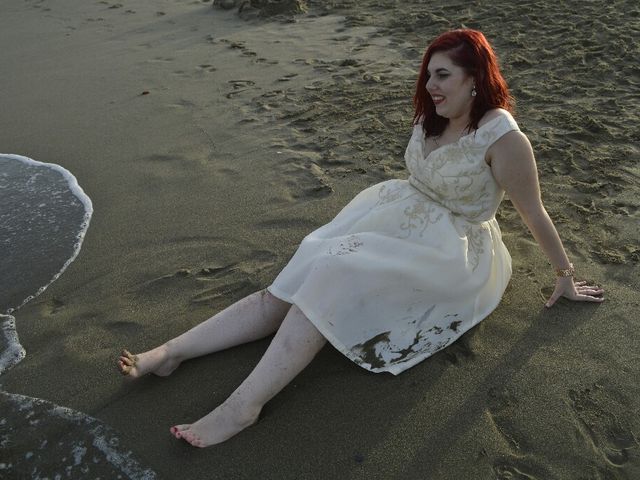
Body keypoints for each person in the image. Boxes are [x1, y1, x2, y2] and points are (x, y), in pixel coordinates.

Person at [117, 29, 604, 448]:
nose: (430, 86)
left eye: (442, 75)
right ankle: (173, 351)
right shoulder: (432, 114)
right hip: (391, 215)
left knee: (330, 275)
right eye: (428, 74)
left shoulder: (504, 139)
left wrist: (564, 276)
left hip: (450, 252)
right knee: (299, 275)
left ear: (475, 78)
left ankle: (243, 406)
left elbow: (534, 212)